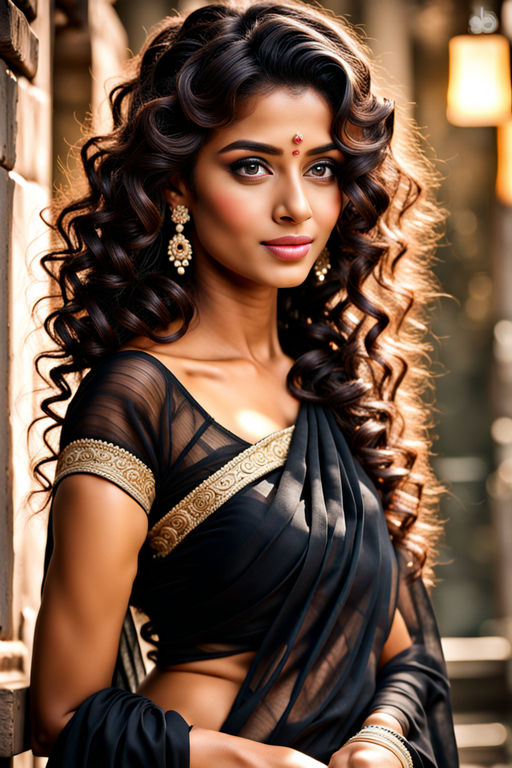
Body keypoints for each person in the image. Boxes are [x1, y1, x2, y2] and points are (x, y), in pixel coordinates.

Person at [28, 0, 459, 766]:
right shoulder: (138, 397)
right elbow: (64, 710)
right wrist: (259, 762)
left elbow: (408, 656)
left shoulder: (331, 387)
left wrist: (382, 740)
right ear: (177, 188)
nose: (295, 205)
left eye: (321, 167)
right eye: (252, 166)